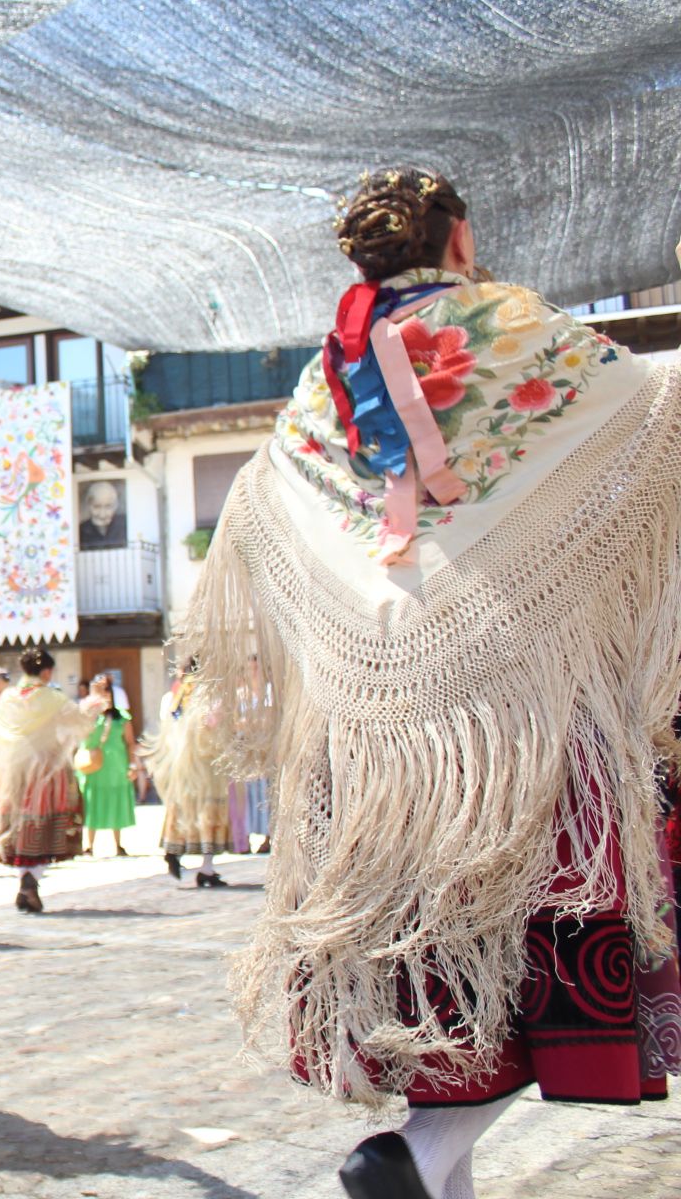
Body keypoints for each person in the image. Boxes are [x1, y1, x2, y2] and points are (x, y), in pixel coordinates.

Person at [179, 167, 681, 1199]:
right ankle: (421, 1155)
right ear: (457, 239)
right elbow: (647, 411)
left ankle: (427, 1160)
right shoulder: (507, 326)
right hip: (523, 722)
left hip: (373, 759)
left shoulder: (327, 379)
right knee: (536, 986)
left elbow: (267, 504)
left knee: (448, 1008)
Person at [0, 648, 94, 913]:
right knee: (45, 825)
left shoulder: (9, 697)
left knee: (21, 826)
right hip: (46, 769)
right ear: (46, 672)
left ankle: (25, 881)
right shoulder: (52, 697)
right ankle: (32, 881)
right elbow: (79, 721)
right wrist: (94, 703)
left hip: (15, 771)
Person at [141, 660, 231, 888]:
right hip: (206, 760)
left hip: (182, 761)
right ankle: (206, 867)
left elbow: (170, 723)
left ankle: (174, 850)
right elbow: (212, 722)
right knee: (209, 810)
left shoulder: (179, 693)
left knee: (183, 806)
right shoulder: (207, 691)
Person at [75, 676, 136, 857]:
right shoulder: (88, 716)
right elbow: (81, 735)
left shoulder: (122, 718)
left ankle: (118, 844)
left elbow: (130, 743)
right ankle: (89, 845)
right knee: (92, 801)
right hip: (94, 767)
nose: (104, 694)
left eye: (106, 690)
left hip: (116, 766)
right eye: (99, 690)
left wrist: (132, 765)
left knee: (115, 801)